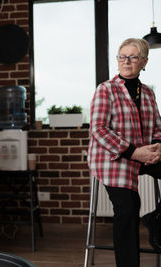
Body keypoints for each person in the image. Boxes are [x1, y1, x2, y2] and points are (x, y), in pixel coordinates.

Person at [88, 37, 161, 267]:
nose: (126, 61)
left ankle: (156, 221)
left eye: (133, 57)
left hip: (144, 155)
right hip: (113, 159)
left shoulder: (148, 93)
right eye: (122, 56)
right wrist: (132, 152)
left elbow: (157, 126)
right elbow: (98, 130)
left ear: (144, 62)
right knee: (128, 208)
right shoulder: (105, 90)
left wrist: (159, 145)